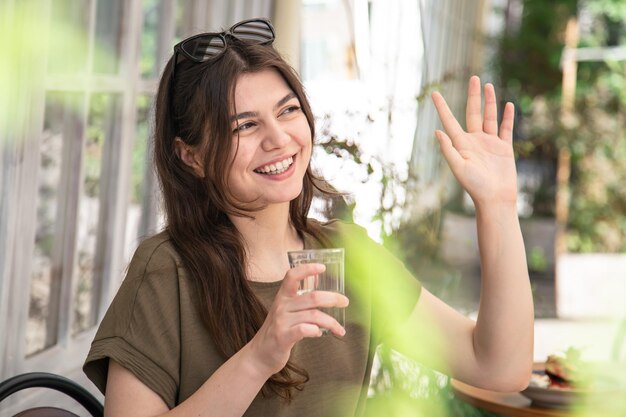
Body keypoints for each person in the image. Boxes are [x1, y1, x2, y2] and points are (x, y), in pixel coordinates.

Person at [83, 17, 534, 417]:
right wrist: (260, 355)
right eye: (245, 125)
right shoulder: (167, 270)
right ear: (191, 156)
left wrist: (497, 208)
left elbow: (498, 366)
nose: (279, 139)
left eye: (288, 111)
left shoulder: (351, 257)